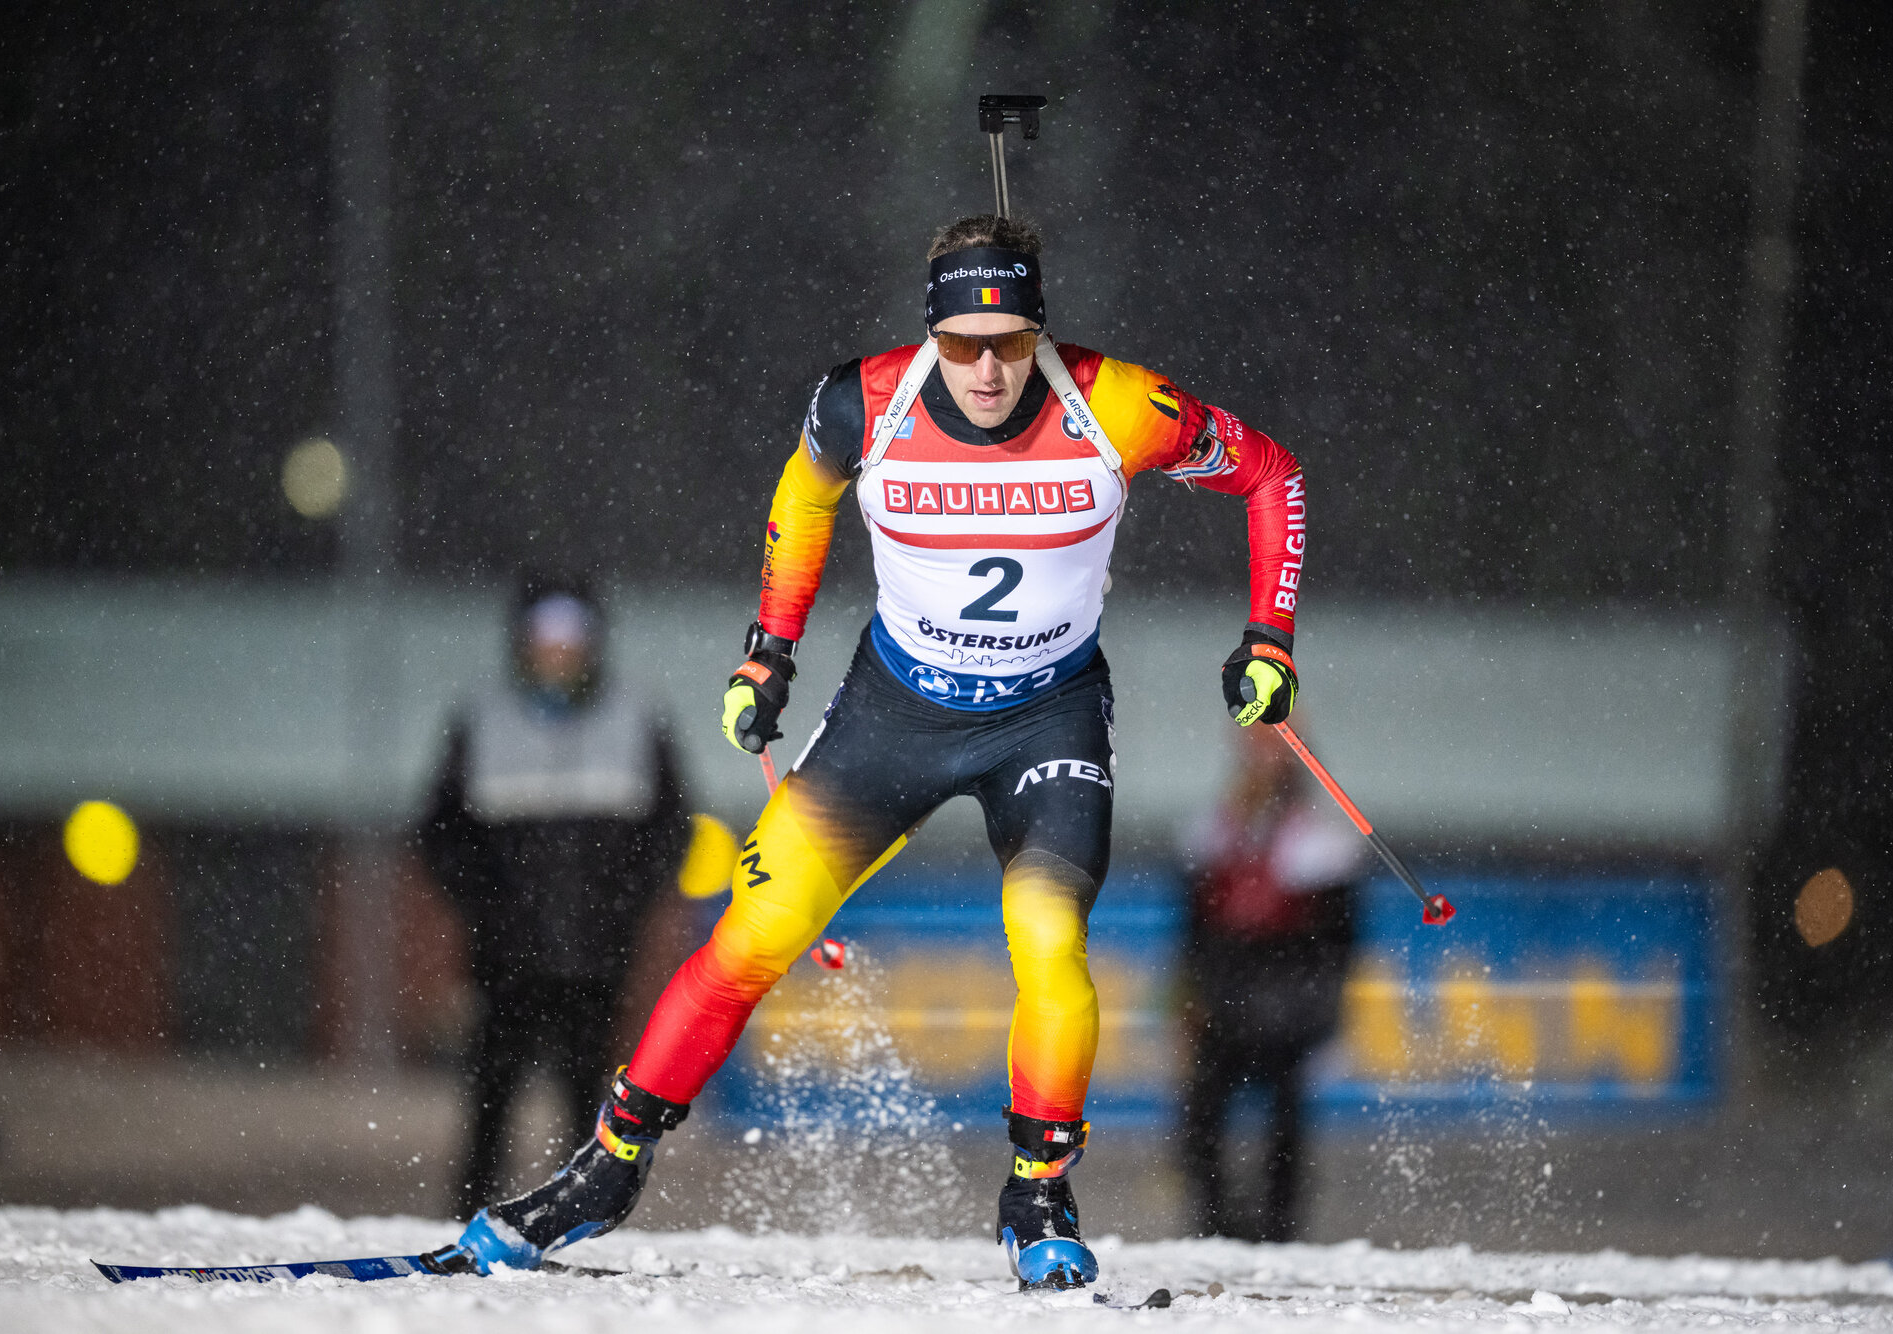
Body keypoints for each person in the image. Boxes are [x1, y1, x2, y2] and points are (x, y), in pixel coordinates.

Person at [440, 215, 1309, 1290]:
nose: (986, 369)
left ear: (1039, 327)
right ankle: (606, 1167)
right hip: (890, 713)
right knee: (750, 936)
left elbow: (1272, 474)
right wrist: (769, 651)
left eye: (1008, 340)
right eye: (960, 342)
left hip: (1045, 716)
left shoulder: (1121, 404)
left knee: (1047, 942)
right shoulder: (863, 399)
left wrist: (1268, 635)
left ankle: (1037, 1191)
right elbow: (801, 496)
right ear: (928, 330)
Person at [417, 574, 692, 1220]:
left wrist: (622, 908)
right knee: (491, 1091)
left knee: (587, 1092)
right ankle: (471, 1217)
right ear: (523, 643)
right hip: (504, 951)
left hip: (598, 950)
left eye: (572, 640)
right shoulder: (481, 716)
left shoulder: (636, 715)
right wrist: (487, 909)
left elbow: (670, 828)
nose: (559, 653)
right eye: (546, 639)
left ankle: (580, 1217)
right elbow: (441, 832)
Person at [1178, 718, 1364, 1242]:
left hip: (1289, 995)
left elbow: (1340, 942)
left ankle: (1279, 1228)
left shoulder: (1321, 844)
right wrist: (1189, 997)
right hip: (1226, 993)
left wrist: (1323, 1009)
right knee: (1202, 1114)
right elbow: (1192, 932)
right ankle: (1217, 1224)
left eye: (1273, 760)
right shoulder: (1214, 832)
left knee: (1286, 1118)